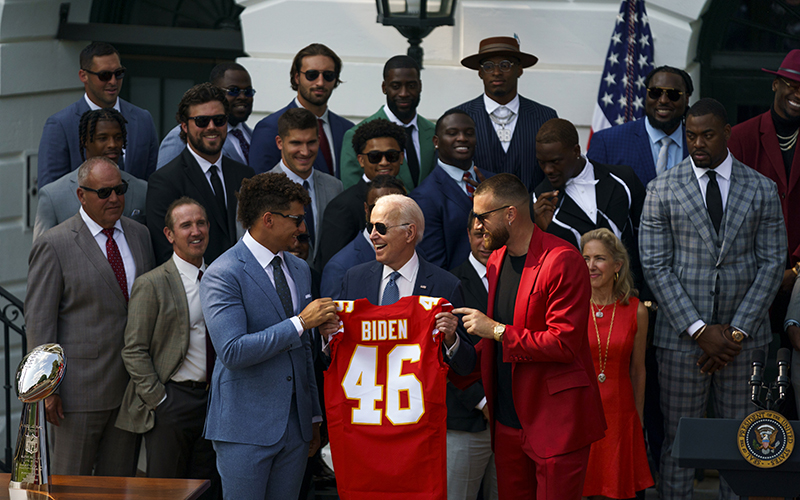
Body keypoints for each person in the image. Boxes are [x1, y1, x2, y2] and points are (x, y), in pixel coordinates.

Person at [639, 98, 786, 500]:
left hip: (745, 344)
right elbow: (655, 266)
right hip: (681, 341)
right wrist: (700, 330)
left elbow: (772, 264)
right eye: (690, 135)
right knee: (679, 442)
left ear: (726, 134)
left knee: (742, 445)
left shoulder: (761, 188)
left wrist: (735, 333)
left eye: (706, 134)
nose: (697, 143)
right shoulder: (662, 189)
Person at [452, 173, 606, 500]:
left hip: (555, 421)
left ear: (510, 214)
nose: (477, 226)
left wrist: (494, 329)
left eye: (483, 216)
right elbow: (493, 343)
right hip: (507, 421)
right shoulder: (496, 259)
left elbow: (563, 343)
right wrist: (453, 344)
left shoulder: (563, 260)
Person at [199, 172, 339, 499]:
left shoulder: (299, 268)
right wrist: (300, 323)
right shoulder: (223, 273)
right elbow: (232, 351)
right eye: (296, 219)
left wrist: (313, 417)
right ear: (268, 219)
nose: (303, 228)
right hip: (243, 428)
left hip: (297, 428)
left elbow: (303, 351)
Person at [25, 157, 155, 476]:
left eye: (120, 190)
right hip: (78, 394)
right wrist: (47, 389)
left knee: (118, 485)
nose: (114, 199)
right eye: (104, 192)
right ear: (82, 196)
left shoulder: (140, 235)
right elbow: (40, 322)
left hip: (130, 390)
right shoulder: (54, 244)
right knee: (72, 483)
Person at [116, 197, 220, 499]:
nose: (195, 231)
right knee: (167, 492)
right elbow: (134, 349)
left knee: (207, 489)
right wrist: (160, 400)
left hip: (215, 403)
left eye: (200, 223)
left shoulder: (221, 277)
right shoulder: (152, 284)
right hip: (173, 402)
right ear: (169, 235)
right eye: (185, 225)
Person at [338, 194, 476, 374]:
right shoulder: (354, 279)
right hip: (369, 398)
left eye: (381, 228)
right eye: (369, 227)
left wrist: (451, 339)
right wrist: (329, 335)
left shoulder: (446, 286)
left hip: (419, 399)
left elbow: (466, 366)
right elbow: (337, 354)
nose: (372, 236)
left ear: (409, 233)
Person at [729, 50, 800, 347]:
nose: (797, 93)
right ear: (775, 85)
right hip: (748, 279)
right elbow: (728, 207)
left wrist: (796, 269)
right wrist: (766, 271)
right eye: (791, 84)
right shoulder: (741, 136)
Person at [580, 228, 653, 500]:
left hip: (621, 415)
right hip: (581, 411)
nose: (590, 266)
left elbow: (638, 369)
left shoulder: (636, 310)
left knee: (615, 490)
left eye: (599, 258)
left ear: (617, 266)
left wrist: (639, 416)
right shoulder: (571, 306)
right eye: (585, 258)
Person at [146, 83, 255, 265]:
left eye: (219, 120)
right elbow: (165, 252)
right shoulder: (164, 181)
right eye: (202, 121)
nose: (211, 127)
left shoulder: (245, 175)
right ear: (184, 126)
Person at [532, 118, 645, 290]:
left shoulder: (623, 179)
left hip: (630, 298)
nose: (548, 170)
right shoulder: (537, 202)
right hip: (576, 305)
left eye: (555, 161)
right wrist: (540, 231)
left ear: (576, 150)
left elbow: (647, 242)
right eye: (542, 162)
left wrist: (644, 296)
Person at [38, 41, 158, 188]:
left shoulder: (142, 119)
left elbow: (152, 184)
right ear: (83, 76)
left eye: (118, 73)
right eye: (105, 75)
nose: (113, 81)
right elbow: (50, 193)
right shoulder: (61, 125)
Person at [455, 36, 557, 192]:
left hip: (533, 214)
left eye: (505, 65)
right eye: (488, 66)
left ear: (520, 69)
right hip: (475, 213)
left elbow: (557, 171)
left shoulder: (545, 117)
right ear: (480, 72)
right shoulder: (458, 118)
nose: (496, 72)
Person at [34, 108, 148, 241]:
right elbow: (42, 254)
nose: (112, 144)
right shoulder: (53, 196)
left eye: (118, 138)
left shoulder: (142, 190)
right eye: (103, 138)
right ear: (85, 141)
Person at [447, 212, 497, 500]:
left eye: (490, 236)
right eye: (479, 235)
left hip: (514, 419)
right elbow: (445, 354)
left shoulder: (518, 277)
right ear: (468, 235)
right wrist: (483, 402)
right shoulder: (450, 282)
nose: (484, 243)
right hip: (465, 421)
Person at [249, 43, 355, 176]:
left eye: (328, 75)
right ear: (297, 77)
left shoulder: (347, 130)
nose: (320, 82)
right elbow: (260, 187)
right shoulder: (270, 128)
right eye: (312, 75)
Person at [317, 118, 405, 269]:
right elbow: (333, 267)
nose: (384, 162)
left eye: (391, 155)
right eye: (375, 156)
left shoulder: (410, 200)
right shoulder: (342, 206)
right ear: (361, 160)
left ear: (401, 158)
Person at [340, 55, 435, 190]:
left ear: (420, 86)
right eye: (396, 86)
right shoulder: (356, 135)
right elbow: (353, 191)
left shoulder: (434, 132)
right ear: (384, 87)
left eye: (411, 85)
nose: (404, 93)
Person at [588, 66, 694, 186]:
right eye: (655, 93)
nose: (663, 100)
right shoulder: (607, 142)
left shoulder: (698, 143)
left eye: (673, 94)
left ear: (686, 98)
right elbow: (590, 195)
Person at [412, 109, 491, 270]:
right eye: (452, 133)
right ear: (436, 141)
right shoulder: (424, 196)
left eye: (469, 133)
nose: (462, 138)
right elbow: (435, 266)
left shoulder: (495, 182)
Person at [267, 107, 343, 268]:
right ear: (279, 143)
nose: (305, 151)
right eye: (296, 143)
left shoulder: (334, 187)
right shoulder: (261, 190)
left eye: (311, 142)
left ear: (319, 140)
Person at [320, 175, 406, 299]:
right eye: (378, 207)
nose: (386, 214)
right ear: (366, 209)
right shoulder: (340, 268)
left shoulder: (416, 254)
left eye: (395, 208)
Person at [158, 62, 256, 168]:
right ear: (215, 92)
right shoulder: (181, 136)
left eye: (248, 91)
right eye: (233, 91)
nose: (242, 97)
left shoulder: (251, 135)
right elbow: (165, 180)